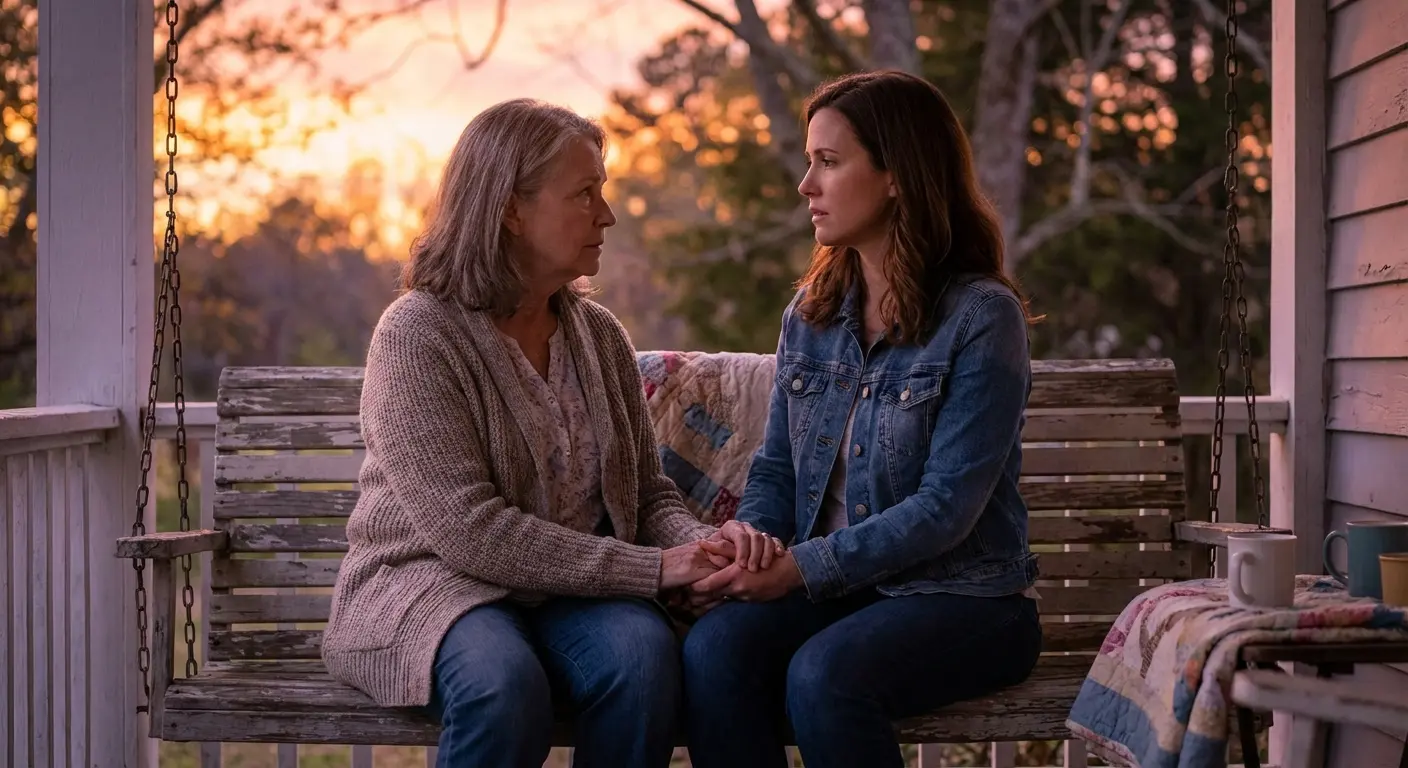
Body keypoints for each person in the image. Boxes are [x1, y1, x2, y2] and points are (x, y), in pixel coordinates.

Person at [320, 98, 772, 768]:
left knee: (644, 660)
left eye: (602, 191)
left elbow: (646, 495)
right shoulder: (417, 334)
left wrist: (700, 547)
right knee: (501, 686)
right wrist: (654, 569)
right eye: (584, 194)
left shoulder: (599, 336)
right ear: (511, 208)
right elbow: (469, 531)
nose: (606, 215)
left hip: (569, 593)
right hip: (435, 583)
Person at [680, 70, 1045, 768]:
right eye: (809, 161)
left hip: (966, 600)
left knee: (825, 677)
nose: (805, 185)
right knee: (715, 649)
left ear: (896, 176)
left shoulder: (980, 317)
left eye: (828, 161)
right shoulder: (812, 313)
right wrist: (751, 550)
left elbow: (945, 509)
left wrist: (798, 569)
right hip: (845, 591)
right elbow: (778, 468)